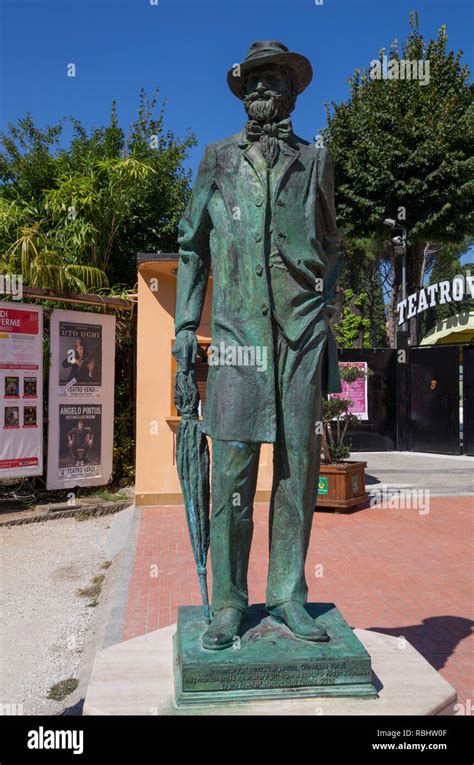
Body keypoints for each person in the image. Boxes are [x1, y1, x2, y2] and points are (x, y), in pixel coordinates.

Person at [173, 41, 343, 650]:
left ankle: (289, 595)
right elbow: (192, 248)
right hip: (239, 339)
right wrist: (184, 330)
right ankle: (227, 602)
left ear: (294, 89)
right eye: (253, 79)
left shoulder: (316, 160)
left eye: (273, 78)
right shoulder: (216, 160)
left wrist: (324, 307)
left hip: (299, 336)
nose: (262, 88)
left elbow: (334, 245)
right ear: (241, 89)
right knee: (235, 472)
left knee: (298, 472)